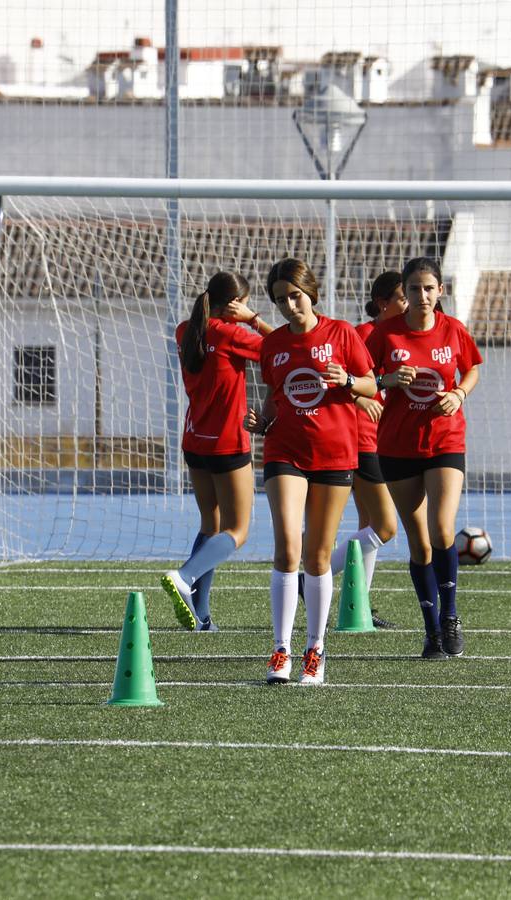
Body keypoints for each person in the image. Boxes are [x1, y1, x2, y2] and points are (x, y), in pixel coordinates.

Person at [244, 258, 378, 685]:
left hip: (336, 454)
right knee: (287, 546)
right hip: (284, 451)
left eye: (294, 296)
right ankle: (280, 649)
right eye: (280, 299)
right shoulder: (272, 345)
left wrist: (348, 382)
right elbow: (274, 394)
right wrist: (261, 422)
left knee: (318, 555)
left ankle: (314, 649)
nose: (288, 305)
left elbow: (371, 384)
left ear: (311, 293)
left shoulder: (342, 333)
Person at [366, 257, 482, 659]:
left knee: (441, 528)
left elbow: (471, 370)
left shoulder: (454, 330)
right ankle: (431, 630)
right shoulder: (386, 334)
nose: (422, 295)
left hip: (445, 442)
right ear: (405, 292)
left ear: (440, 291)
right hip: (397, 446)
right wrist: (385, 382)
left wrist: (459, 394)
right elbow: (360, 380)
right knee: (418, 544)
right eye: (414, 289)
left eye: (429, 288)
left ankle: (450, 617)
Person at [161, 271, 273, 631]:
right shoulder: (231, 334)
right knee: (238, 530)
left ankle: (201, 614)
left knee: (211, 525)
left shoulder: (185, 330)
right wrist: (254, 320)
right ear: (235, 304)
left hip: (195, 442)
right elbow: (286, 347)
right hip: (228, 443)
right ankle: (185, 576)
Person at [328, 271, 405, 628]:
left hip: (382, 439)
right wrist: (361, 400)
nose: (410, 304)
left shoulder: (401, 337)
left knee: (370, 524)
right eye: (404, 297)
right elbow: (338, 379)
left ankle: (361, 606)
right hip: (362, 439)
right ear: (382, 303)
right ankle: (316, 574)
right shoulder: (364, 334)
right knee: (384, 526)